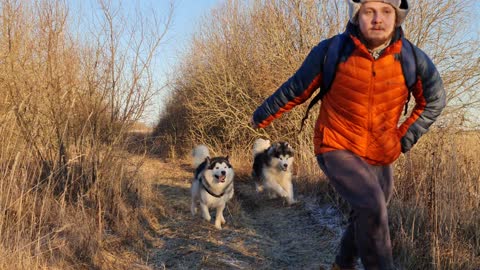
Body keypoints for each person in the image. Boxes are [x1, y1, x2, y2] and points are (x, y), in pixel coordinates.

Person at [250, 0, 446, 269]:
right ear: (357, 16)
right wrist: (262, 115)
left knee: (372, 208)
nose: (378, 18)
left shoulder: (412, 58)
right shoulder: (332, 50)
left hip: (380, 150)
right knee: (372, 205)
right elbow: (297, 88)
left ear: (398, 17)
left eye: (386, 11)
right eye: (369, 11)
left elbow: (434, 100)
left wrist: (403, 138)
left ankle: (342, 264)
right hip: (336, 144)